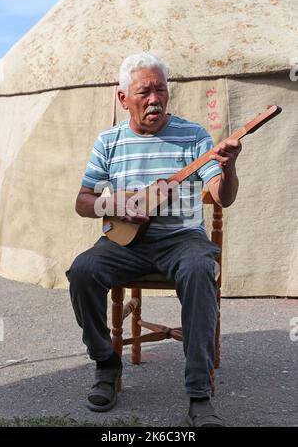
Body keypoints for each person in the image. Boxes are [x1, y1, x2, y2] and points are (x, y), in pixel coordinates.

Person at [66, 52, 241, 427]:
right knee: (82, 271)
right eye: (144, 92)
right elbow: (83, 202)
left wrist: (229, 167)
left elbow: (222, 196)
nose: (155, 99)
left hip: (182, 239)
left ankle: (198, 392)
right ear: (123, 98)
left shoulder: (193, 136)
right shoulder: (108, 142)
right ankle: (106, 365)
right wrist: (115, 203)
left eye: (161, 90)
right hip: (124, 243)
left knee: (199, 270)